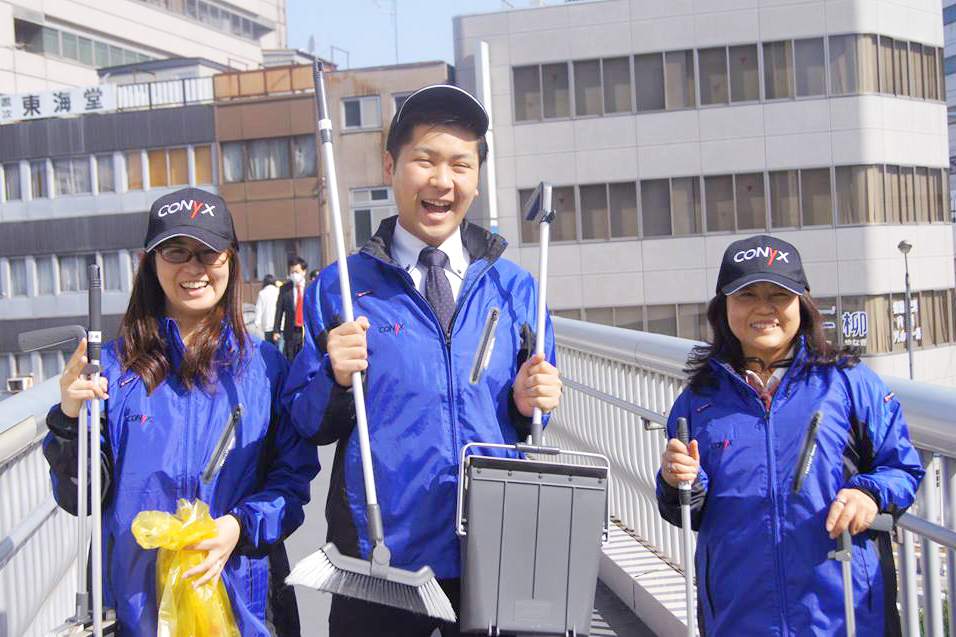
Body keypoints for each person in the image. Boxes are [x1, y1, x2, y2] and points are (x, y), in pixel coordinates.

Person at [282, 85, 563, 636]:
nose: (442, 181)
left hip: (494, 547)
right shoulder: (340, 288)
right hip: (380, 555)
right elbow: (306, 421)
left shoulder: (516, 289)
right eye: (425, 160)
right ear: (391, 166)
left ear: (477, 178)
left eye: (461, 164)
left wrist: (532, 402)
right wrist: (334, 377)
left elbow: (532, 417)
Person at [43, 187, 319, 637]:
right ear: (150, 262)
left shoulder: (266, 368)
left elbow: (291, 481)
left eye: (209, 253)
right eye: (176, 252)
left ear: (230, 260)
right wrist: (69, 418)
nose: (194, 268)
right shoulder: (111, 368)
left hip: (243, 605)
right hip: (136, 612)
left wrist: (239, 526)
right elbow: (81, 497)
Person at [657, 235, 924, 637]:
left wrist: (868, 494)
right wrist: (677, 480)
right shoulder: (698, 399)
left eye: (779, 295)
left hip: (843, 618)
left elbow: (902, 469)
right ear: (723, 306)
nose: (764, 308)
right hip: (738, 619)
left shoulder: (850, 383)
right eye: (747, 294)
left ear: (802, 302)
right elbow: (687, 509)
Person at [273, 256, 307, 361]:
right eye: (292, 272)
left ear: (304, 271)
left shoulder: (310, 287)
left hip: (306, 330)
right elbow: (279, 310)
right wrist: (276, 330)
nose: (294, 275)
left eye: (297, 272)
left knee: (305, 359)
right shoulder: (284, 289)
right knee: (291, 359)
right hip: (290, 331)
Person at [254, 273, 280, 343]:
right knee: (280, 347)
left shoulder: (262, 293)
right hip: (279, 325)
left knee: (269, 346)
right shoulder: (278, 291)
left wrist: (257, 322)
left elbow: (258, 308)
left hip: (267, 325)